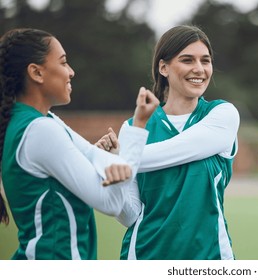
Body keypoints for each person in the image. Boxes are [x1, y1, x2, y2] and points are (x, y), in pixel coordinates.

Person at [0, 28, 159, 259]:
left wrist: (112, 160)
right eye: (63, 62)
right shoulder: (40, 130)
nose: (71, 72)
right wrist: (139, 125)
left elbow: (94, 157)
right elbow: (111, 201)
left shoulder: (41, 120)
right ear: (36, 72)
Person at [97, 25, 240, 260]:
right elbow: (130, 215)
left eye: (205, 61)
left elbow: (178, 150)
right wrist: (116, 166)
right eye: (187, 60)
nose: (199, 69)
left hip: (210, 258)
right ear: (163, 67)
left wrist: (115, 158)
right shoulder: (133, 128)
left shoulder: (222, 115)